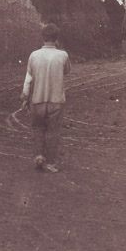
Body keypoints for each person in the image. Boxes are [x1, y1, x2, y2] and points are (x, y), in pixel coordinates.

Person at [21, 23, 72, 172]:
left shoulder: (34, 55)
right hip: (56, 100)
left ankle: (38, 156)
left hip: (37, 99)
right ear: (57, 39)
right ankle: (50, 162)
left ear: (42, 37)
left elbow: (28, 78)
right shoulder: (63, 55)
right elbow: (67, 71)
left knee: (38, 128)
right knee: (53, 131)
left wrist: (25, 97)